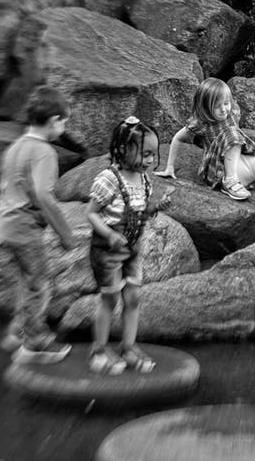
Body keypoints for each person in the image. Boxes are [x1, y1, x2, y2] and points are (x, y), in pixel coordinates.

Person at [0, 85, 76, 365]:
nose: (65, 127)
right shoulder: (44, 152)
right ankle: (35, 344)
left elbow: (3, 190)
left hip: (3, 228)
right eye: (65, 122)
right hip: (25, 231)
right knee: (39, 286)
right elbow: (43, 195)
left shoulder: (15, 148)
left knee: (25, 285)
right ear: (53, 121)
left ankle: (16, 333)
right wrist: (65, 233)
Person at [85, 116, 172, 375]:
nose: (149, 160)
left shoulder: (144, 180)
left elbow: (141, 213)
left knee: (132, 297)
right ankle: (98, 350)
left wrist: (157, 207)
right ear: (123, 149)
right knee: (110, 298)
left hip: (134, 248)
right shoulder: (108, 179)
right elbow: (91, 213)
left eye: (153, 155)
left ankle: (128, 347)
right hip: (109, 250)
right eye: (145, 154)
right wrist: (108, 235)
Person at [155, 77, 255, 213]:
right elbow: (176, 139)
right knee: (231, 133)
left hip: (242, 169)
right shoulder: (200, 124)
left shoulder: (233, 112)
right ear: (205, 108)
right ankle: (230, 182)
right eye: (217, 106)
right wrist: (169, 167)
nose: (224, 109)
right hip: (219, 173)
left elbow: (236, 138)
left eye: (226, 103)